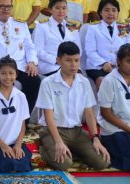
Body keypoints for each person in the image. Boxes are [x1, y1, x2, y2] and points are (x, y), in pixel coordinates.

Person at [35, 41, 110, 171]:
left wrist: (96, 138)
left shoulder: (84, 82)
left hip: (77, 131)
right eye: (68, 60)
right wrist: (58, 142)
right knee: (63, 164)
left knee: (102, 162)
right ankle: (45, 147)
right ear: (58, 60)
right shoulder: (48, 83)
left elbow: (89, 113)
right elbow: (48, 116)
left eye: (76, 60)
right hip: (54, 130)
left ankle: (73, 149)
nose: (73, 64)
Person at [0, 56, 33, 173]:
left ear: (16, 74)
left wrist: (18, 145)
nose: (8, 77)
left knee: (23, 165)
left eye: (11, 73)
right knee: (6, 166)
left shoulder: (20, 96)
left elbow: (23, 123)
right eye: (3, 73)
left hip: (14, 141)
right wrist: (3, 145)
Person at [98, 44, 130, 173]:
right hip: (115, 129)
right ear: (119, 61)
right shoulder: (109, 81)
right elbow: (106, 113)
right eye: (129, 61)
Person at [85, 0, 130, 89]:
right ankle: (105, 103)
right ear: (100, 12)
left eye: (114, 10)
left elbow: (129, 50)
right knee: (102, 82)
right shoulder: (93, 28)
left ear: (118, 13)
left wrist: (120, 64)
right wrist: (103, 63)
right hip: (97, 66)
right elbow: (90, 51)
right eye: (106, 10)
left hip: (120, 66)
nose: (110, 13)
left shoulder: (124, 27)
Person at [32, 0, 82, 76]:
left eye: (64, 8)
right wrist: (57, 60)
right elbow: (38, 50)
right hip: (50, 65)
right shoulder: (42, 26)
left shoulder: (72, 26)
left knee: (81, 80)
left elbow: (79, 50)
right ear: (50, 10)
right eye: (57, 8)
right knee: (67, 76)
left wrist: (70, 62)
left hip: (70, 65)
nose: (61, 11)